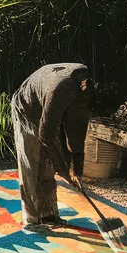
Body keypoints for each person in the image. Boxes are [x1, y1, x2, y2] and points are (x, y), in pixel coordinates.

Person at [11, 62, 91, 230]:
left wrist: (77, 170)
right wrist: (64, 170)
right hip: (26, 109)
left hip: (45, 108)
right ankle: (31, 219)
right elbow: (46, 135)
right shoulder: (60, 90)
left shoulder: (83, 91)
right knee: (31, 164)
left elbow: (76, 133)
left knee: (47, 166)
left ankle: (49, 215)